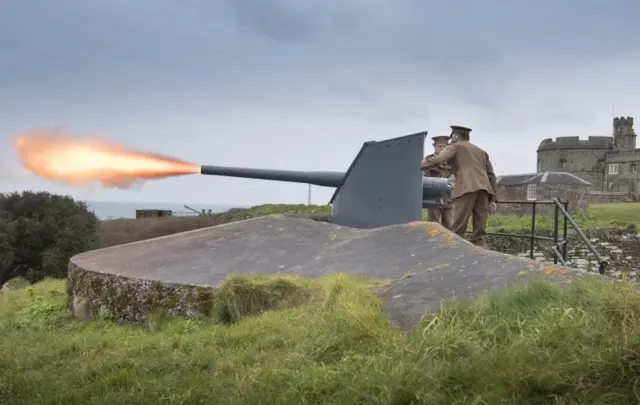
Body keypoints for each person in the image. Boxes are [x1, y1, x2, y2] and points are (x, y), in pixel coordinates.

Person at [420, 125, 498, 248]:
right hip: (484, 190)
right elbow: (491, 176)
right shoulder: (481, 152)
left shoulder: (455, 146)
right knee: (480, 231)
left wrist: (419, 165)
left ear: (456, 136)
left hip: (466, 188)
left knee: (458, 226)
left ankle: (455, 251)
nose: (450, 141)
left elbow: (439, 158)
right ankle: (480, 252)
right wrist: (492, 199)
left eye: (451, 137)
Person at [423, 135, 455, 229]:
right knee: (433, 225)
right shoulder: (428, 160)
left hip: (449, 195)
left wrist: (446, 182)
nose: (441, 148)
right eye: (439, 146)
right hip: (434, 196)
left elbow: (457, 175)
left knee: (450, 225)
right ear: (434, 146)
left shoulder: (452, 161)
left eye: (444, 147)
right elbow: (424, 175)